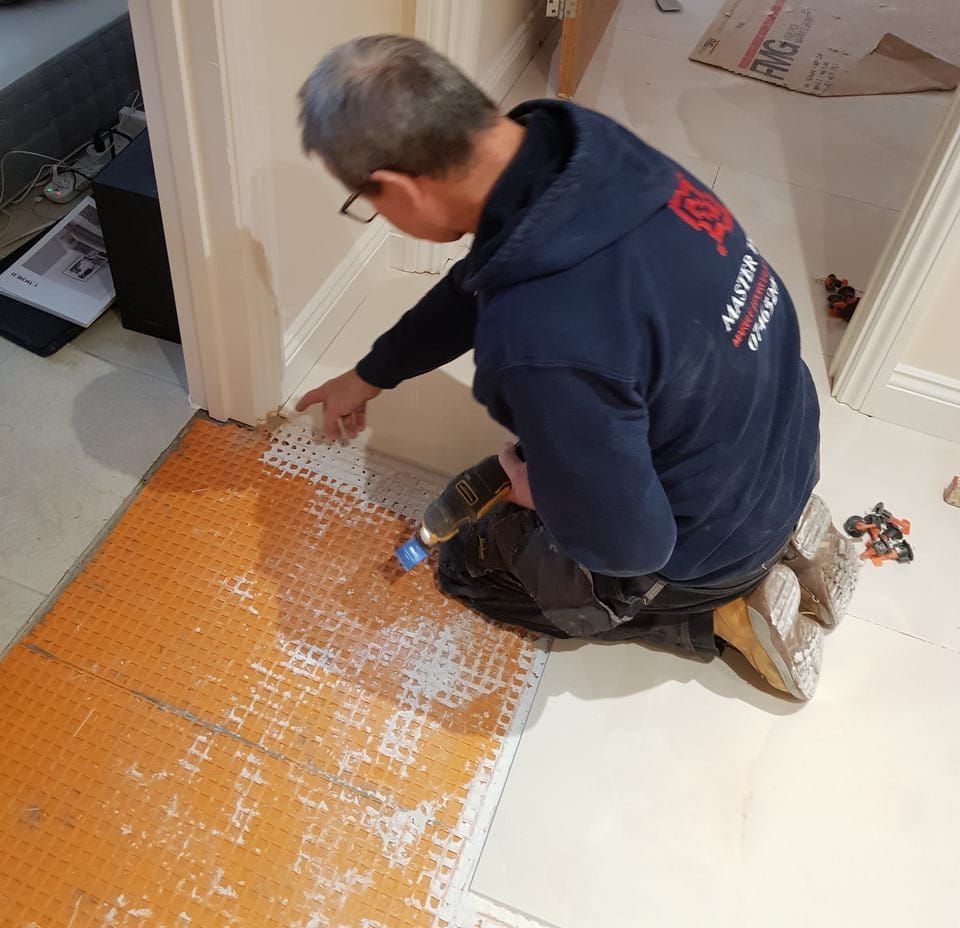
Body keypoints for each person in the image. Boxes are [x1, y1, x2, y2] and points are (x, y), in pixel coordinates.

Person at [295, 35, 859, 701]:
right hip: (782, 432)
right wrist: (369, 375)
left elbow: (631, 548)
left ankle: (721, 610)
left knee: (475, 563)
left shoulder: (540, 336)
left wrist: (540, 495)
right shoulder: (585, 150)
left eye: (368, 202)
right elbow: (480, 284)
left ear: (394, 189)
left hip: (707, 536)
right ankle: (782, 533)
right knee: (595, 429)